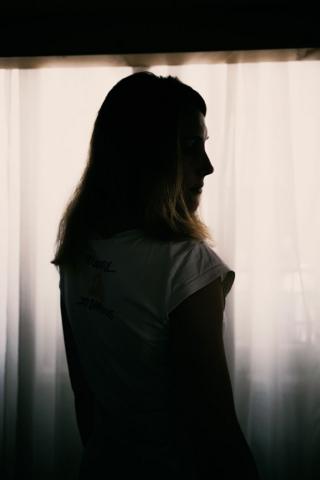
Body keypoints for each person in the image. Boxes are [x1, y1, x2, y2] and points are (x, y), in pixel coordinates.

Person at [51, 71, 260, 479]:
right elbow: (215, 432)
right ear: (146, 157)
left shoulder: (78, 249)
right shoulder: (187, 267)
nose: (208, 166)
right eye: (189, 148)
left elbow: (85, 399)